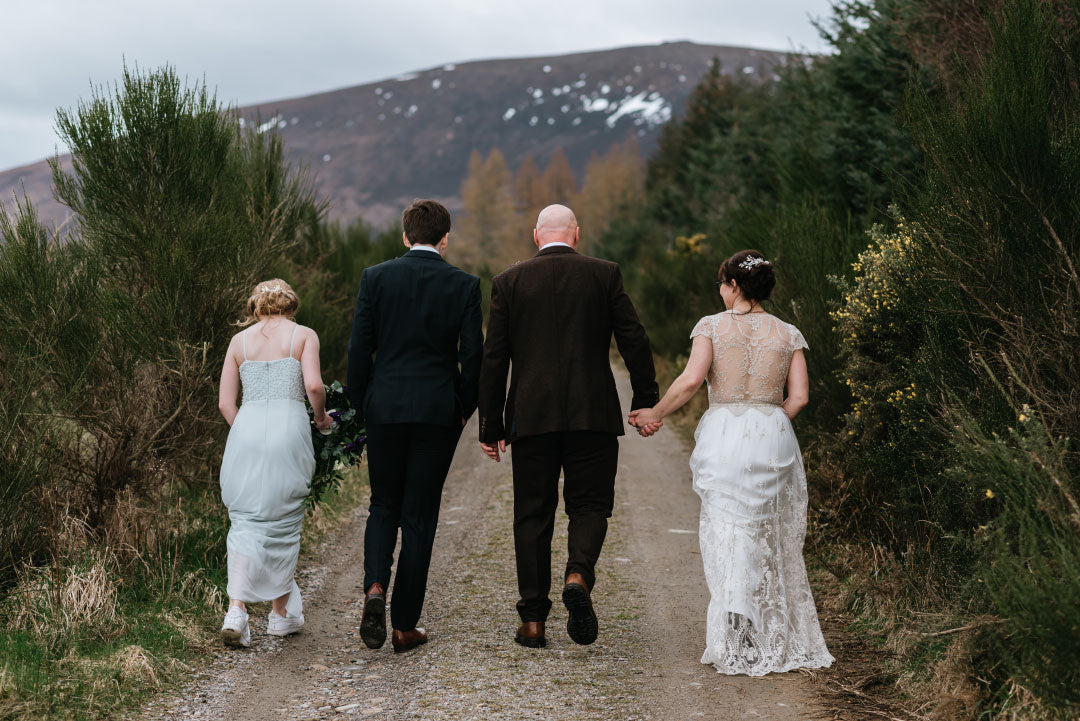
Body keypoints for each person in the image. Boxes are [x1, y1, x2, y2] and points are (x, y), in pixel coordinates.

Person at [629, 250, 834, 676]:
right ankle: (760, 628)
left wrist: (655, 413)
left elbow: (689, 381)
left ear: (734, 285)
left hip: (725, 432)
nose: (720, 291)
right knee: (761, 530)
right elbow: (799, 397)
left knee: (729, 529)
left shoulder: (712, 327)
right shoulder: (787, 332)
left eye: (723, 283)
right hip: (771, 434)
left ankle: (737, 631)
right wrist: (772, 424)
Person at [477, 204, 659, 649]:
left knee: (532, 514)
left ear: (535, 235)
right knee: (591, 505)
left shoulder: (509, 282)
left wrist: (490, 424)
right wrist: (644, 399)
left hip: (532, 418)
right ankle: (578, 574)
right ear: (576, 234)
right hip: (592, 414)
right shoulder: (604, 274)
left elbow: (494, 357)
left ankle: (533, 621)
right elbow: (632, 337)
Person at [347, 199, 483, 654]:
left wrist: (360, 403)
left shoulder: (375, 278)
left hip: (384, 407)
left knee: (383, 503)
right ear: (445, 238)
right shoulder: (464, 285)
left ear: (404, 235)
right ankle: (405, 625)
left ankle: (374, 590)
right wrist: (463, 406)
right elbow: (472, 355)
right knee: (420, 515)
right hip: (436, 411)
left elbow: (359, 348)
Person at [217, 279, 332, 648]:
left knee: (247, 519)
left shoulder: (239, 342)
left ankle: (236, 610)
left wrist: (247, 433)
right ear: (290, 305)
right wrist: (322, 419)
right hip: (289, 431)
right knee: (283, 521)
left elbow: (225, 404)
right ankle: (280, 616)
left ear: (257, 307)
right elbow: (314, 387)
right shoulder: (303, 335)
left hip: (247, 431)